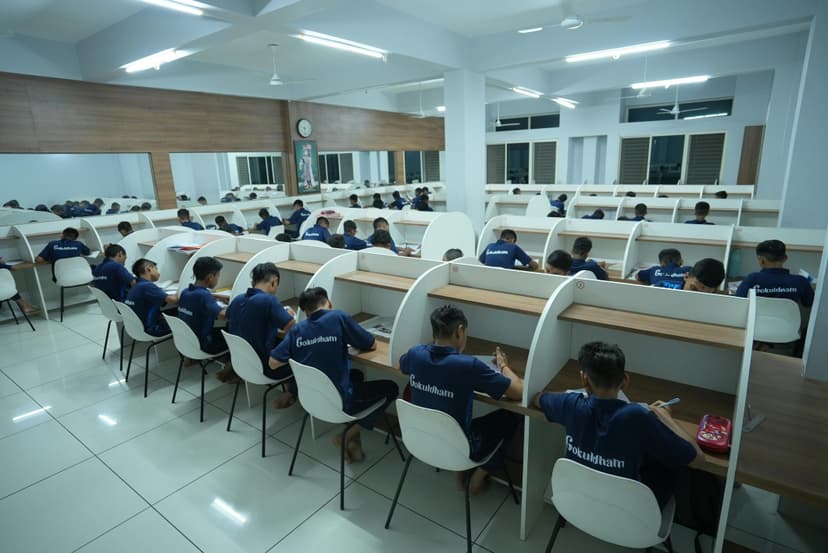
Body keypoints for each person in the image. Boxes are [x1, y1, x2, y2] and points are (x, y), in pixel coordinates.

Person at [533, 342, 702, 507]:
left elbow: (538, 398)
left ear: (584, 379)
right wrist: (667, 418)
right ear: (625, 381)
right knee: (670, 467)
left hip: (578, 501)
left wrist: (569, 397)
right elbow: (696, 458)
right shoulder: (638, 415)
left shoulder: (570, 404)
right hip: (624, 510)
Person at [401, 305, 523, 494]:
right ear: (459, 331)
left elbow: (402, 365)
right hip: (458, 448)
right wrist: (503, 365)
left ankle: (459, 475)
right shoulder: (469, 366)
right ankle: (477, 478)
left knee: (453, 418)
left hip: (420, 439)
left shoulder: (416, 354)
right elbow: (518, 391)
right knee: (512, 417)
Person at [269, 287, 399, 462]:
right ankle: (347, 435)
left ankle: (354, 443)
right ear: (329, 303)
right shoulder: (337, 317)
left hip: (311, 400)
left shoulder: (297, 329)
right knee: (391, 388)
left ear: (305, 312)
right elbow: (372, 344)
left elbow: (273, 362)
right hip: (340, 401)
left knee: (356, 375)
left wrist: (307, 349)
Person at [227, 262, 297, 403]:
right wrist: (289, 316)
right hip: (265, 367)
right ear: (274, 282)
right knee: (303, 351)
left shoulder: (237, 299)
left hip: (243, 364)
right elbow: (291, 327)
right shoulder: (269, 301)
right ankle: (292, 394)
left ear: (253, 282)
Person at [178, 256, 235, 380]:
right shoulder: (204, 296)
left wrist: (214, 297)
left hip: (186, 341)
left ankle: (190, 359)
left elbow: (200, 300)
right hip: (203, 343)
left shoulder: (186, 292)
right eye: (218, 276)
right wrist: (234, 304)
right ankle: (227, 372)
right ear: (210, 277)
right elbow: (223, 315)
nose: (218, 279)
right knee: (235, 334)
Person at [735, 240, 814, 307]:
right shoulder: (800, 281)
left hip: (756, 324)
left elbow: (737, 302)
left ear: (761, 260)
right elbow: (809, 304)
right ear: (785, 258)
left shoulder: (752, 279)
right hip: (789, 325)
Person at [125, 258, 178, 336]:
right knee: (185, 318)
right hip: (152, 329)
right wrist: (181, 291)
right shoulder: (147, 286)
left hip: (136, 327)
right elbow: (173, 300)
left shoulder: (137, 285)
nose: (158, 273)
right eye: (156, 269)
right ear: (149, 269)